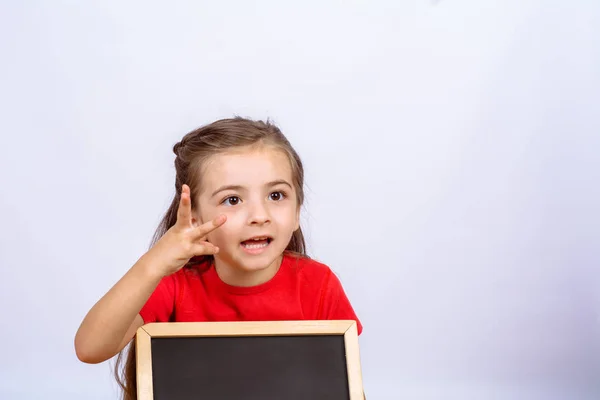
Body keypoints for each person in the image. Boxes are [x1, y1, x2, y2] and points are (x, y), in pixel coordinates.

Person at [74, 117, 363, 399]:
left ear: (298, 211)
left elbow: (345, 383)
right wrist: (153, 264)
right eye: (233, 200)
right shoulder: (174, 286)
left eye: (276, 195)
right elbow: (90, 349)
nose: (259, 216)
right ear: (195, 218)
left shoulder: (318, 284)